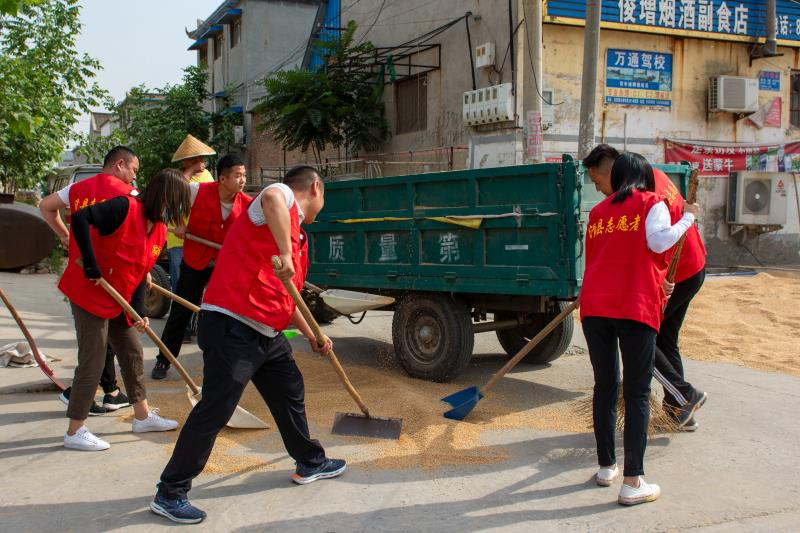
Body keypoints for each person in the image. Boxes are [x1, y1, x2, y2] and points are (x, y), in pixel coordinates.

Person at [150, 166, 344, 525]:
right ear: (315, 187)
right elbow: (271, 197)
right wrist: (285, 253)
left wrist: (312, 334)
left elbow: (288, 301)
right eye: (324, 194)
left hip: (267, 333)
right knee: (217, 407)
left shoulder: (297, 237)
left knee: (290, 391)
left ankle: (310, 461)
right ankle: (170, 491)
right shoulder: (281, 198)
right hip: (232, 325)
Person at [579, 152, 699, 505]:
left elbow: (608, 258)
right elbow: (659, 242)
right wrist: (688, 219)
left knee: (604, 386)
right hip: (633, 307)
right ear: (643, 178)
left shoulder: (599, 213)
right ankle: (633, 482)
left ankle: (606, 467)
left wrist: (659, 282)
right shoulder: (652, 203)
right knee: (636, 393)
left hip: (596, 307)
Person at [57, 168, 191, 451]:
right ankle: (75, 430)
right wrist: (91, 263)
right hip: (89, 291)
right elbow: (80, 218)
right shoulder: (124, 206)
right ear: (163, 196)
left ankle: (142, 416)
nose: (176, 211)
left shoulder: (160, 229)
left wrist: (138, 311)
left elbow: (141, 272)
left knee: (132, 350)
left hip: (120, 296)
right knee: (93, 360)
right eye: (175, 203)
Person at [39, 146, 142, 414]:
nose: (134, 177)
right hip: (109, 279)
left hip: (80, 277)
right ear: (120, 164)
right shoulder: (128, 196)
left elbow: (46, 207)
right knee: (98, 345)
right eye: (133, 170)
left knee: (96, 341)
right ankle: (84, 403)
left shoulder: (77, 189)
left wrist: (65, 235)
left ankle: (109, 391)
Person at [150, 155, 252, 380]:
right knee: (181, 310)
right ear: (223, 178)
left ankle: (227, 362)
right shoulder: (197, 191)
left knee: (227, 313)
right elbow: (169, 201)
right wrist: (179, 224)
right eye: (237, 175)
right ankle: (163, 360)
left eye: (244, 175)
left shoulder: (247, 204)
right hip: (195, 260)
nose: (242, 180)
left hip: (225, 265)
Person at [165, 134, 215, 340]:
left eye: (202, 158)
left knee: (202, 287)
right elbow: (171, 203)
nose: (201, 162)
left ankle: (195, 326)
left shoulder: (208, 177)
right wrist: (180, 224)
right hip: (179, 241)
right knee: (181, 286)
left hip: (202, 241)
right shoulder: (177, 178)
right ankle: (181, 330)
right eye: (196, 159)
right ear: (187, 161)